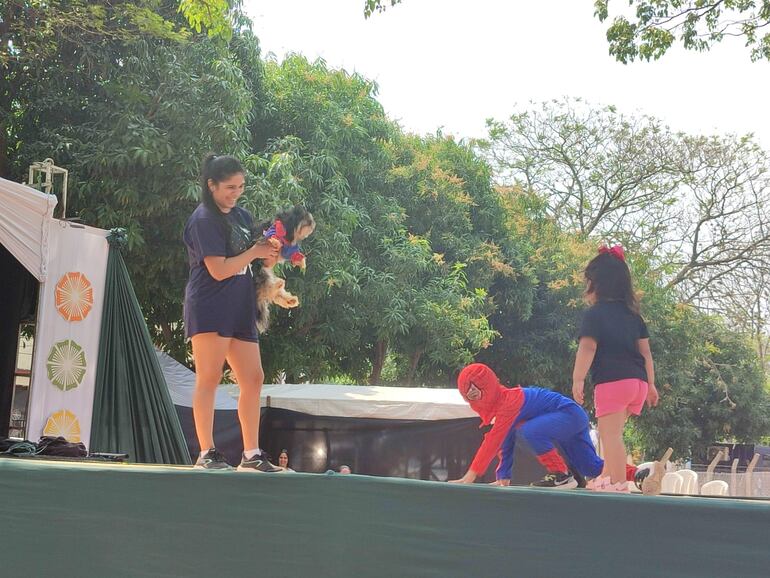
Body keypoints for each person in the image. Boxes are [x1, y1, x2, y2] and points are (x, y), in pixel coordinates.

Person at [184, 154, 282, 472]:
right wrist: (254, 251)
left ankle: (251, 454)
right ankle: (206, 452)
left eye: (240, 186)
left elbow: (257, 259)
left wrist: (274, 254)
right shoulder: (203, 219)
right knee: (209, 378)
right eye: (229, 187)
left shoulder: (242, 216)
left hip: (241, 307)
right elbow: (219, 269)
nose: (236, 192)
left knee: (253, 378)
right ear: (211, 185)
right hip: (210, 306)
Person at [572, 245, 659, 492]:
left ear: (595, 285)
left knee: (610, 436)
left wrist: (578, 379)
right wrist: (651, 384)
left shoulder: (595, 314)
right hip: (638, 384)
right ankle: (607, 477)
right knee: (612, 432)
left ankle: (619, 485)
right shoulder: (634, 316)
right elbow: (646, 353)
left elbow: (587, 347)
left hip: (613, 382)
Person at [448, 363, 604, 489]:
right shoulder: (504, 407)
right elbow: (505, 442)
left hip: (569, 414)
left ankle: (561, 474)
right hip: (572, 417)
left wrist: (471, 475)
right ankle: (627, 473)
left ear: (487, 387)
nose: (475, 403)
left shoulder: (509, 402)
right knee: (591, 468)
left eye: (475, 395)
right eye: (470, 399)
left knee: (531, 430)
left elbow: (493, 441)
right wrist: (503, 477)